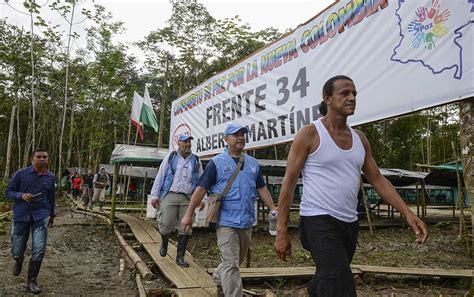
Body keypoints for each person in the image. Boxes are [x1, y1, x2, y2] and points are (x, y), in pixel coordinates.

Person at [274, 75, 429, 296]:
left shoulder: (360, 138)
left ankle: (311, 292)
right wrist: (281, 230)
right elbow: (288, 183)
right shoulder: (310, 134)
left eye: (354, 93)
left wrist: (407, 213)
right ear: (327, 98)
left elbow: (377, 178)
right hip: (318, 220)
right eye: (345, 93)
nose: (352, 98)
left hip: (349, 223)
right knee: (339, 282)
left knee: (329, 276)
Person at [181, 123, 278, 297]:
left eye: (243, 134)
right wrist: (188, 215)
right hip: (225, 221)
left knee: (234, 262)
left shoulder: (253, 163)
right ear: (226, 139)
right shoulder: (216, 163)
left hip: (246, 221)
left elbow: (261, 188)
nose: (241, 137)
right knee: (232, 264)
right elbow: (201, 189)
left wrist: (272, 208)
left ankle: (219, 276)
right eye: (236, 134)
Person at [4, 148, 56, 294]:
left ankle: (31, 282)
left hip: (41, 216)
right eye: (38, 157)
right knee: (17, 250)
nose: (41, 159)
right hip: (21, 216)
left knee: (39, 248)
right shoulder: (21, 174)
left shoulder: (50, 177)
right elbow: (7, 192)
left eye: (44, 157)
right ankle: (18, 259)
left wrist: (52, 215)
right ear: (32, 158)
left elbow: (51, 197)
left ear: (47, 159)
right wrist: (21, 195)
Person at [150, 134, 203, 267]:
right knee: (165, 223)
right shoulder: (171, 157)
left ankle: (180, 257)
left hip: (188, 197)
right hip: (170, 194)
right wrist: (154, 195)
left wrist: (201, 199)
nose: (187, 144)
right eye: (184, 142)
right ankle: (164, 242)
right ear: (178, 143)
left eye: (189, 142)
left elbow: (202, 181)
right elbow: (160, 176)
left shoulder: (196, 160)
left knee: (185, 227)